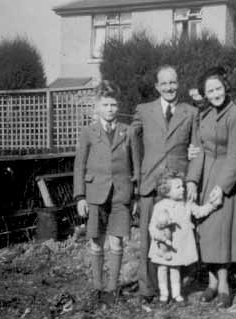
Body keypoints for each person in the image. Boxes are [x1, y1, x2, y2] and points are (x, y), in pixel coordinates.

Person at [132, 65, 202, 303]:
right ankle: (147, 289)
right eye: (164, 83)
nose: (169, 87)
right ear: (157, 86)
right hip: (150, 183)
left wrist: (191, 180)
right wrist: (137, 175)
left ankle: (176, 288)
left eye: (173, 83)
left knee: (178, 236)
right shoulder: (143, 110)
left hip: (177, 188)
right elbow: (131, 140)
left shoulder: (190, 112)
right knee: (148, 237)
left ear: (178, 83)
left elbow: (197, 149)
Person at [73, 80, 140, 308]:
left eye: (113, 104)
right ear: (97, 106)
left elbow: (136, 166)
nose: (110, 109)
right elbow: (79, 165)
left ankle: (112, 289)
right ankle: (97, 288)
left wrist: (136, 196)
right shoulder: (88, 132)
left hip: (121, 194)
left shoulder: (128, 132)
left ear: (118, 106)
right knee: (96, 241)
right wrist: (80, 196)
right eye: (106, 104)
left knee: (117, 241)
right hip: (95, 194)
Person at [192, 66, 236, 308]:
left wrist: (223, 186)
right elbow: (197, 152)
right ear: (205, 94)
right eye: (210, 90)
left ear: (225, 88)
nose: (215, 93)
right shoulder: (202, 116)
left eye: (218, 88)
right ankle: (212, 282)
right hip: (205, 176)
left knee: (222, 232)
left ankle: (224, 285)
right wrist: (192, 181)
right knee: (206, 232)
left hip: (226, 179)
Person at [148, 169, 218, 305]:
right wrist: (158, 236)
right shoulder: (159, 206)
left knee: (175, 269)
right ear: (166, 191)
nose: (182, 189)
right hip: (162, 245)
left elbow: (199, 212)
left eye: (182, 186)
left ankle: (176, 294)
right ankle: (163, 295)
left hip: (177, 246)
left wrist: (212, 205)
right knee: (162, 269)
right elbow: (152, 226)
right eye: (178, 187)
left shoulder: (187, 204)